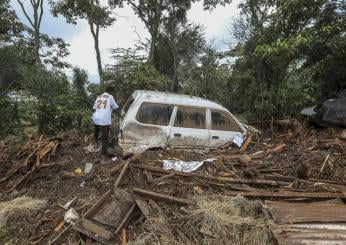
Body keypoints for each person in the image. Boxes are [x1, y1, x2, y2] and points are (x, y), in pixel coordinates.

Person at [92, 86, 119, 162]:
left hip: (96, 117)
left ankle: (96, 143)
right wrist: (122, 115)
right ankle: (103, 156)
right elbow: (115, 108)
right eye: (112, 92)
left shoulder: (99, 96)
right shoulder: (110, 97)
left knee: (96, 130)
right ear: (110, 91)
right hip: (105, 120)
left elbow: (93, 109)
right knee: (105, 138)